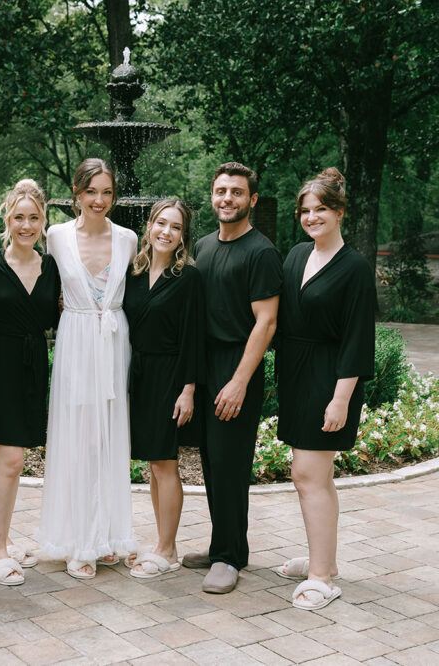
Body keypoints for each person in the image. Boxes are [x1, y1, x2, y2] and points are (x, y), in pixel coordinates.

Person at [274, 168, 375, 610]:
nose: (312, 217)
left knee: (308, 476)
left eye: (321, 210)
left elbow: (358, 338)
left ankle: (322, 579)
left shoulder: (354, 268)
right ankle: (323, 560)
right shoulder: (296, 255)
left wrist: (341, 398)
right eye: (305, 210)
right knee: (314, 477)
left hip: (329, 380)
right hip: (296, 377)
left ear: (339, 212)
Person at [37, 158, 138, 580]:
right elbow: (45, 285)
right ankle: (79, 541)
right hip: (76, 341)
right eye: (91, 191)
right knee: (78, 437)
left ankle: (108, 535)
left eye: (107, 192)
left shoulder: (130, 238)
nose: (99, 200)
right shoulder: (56, 235)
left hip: (113, 341)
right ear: (76, 194)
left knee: (108, 437)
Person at [186, 162, 282, 594]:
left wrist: (241, 381)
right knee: (210, 463)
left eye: (237, 192)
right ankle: (218, 545)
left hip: (236, 369)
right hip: (204, 369)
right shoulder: (203, 246)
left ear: (252, 200)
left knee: (229, 466)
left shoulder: (261, 252)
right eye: (221, 190)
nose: (228, 198)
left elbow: (266, 322)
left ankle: (230, 558)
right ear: (212, 195)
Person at [0, 179, 60, 586]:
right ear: (7, 218)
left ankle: (4, 540)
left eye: (33, 218)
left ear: (43, 221)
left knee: (17, 463)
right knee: (12, 461)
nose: (26, 225)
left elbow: (61, 316)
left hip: (35, 366)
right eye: (19, 217)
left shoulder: (52, 267)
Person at [122, 198, 204, 579]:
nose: (166, 232)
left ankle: (167, 548)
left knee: (165, 463)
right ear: (150, 226)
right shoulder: (134, 273)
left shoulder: (188, 277)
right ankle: (161, 542)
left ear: (183, 235)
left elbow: (193, 337)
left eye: (175, 227)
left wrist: (187, 390)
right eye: (161, 223)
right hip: (137, 372)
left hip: (169, 376)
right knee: (153, 466)